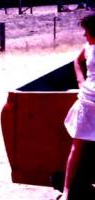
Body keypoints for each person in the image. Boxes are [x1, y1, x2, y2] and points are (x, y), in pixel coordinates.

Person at [63, 12, 95, 200]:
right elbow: (77, 61)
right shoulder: (87, 48)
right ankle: (66, 191)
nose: (84, 35)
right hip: (87, 99)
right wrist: (80, 80)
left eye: (86, 31)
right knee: (76, 146)